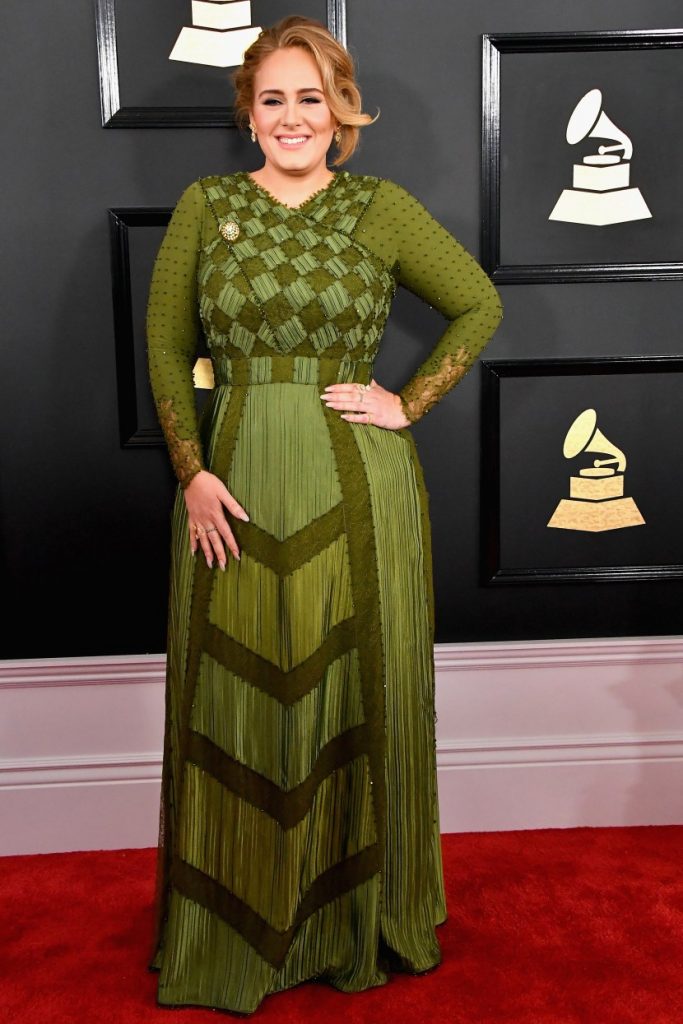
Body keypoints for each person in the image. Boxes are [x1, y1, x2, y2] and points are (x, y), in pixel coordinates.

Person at [146, 15, 503, 1015]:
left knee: (357, 693)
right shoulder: (206, 205)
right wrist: (191, 472)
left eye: (311, 97)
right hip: (238, 481)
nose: (292, 117)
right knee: (242, 701)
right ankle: (236, 931)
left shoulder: (379, 208)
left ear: (338, 110)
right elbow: (169, 349)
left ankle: (360, 923)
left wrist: (405, 400)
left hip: (358, 478)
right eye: (273, 99)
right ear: (247, 111)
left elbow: (476, 301)